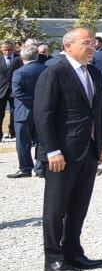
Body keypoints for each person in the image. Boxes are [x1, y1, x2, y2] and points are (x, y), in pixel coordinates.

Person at [34, 28, 102, 271]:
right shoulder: (54, 73)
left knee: (79, 205)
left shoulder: (94, 73)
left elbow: (99, 112)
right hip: (62, 152)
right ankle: (53, 258)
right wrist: (51, 150)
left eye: (93, 42)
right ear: (68, 46)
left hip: (87, 149)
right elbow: (43, 115)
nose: (92, 47)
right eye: (86, 43)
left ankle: (73, 253)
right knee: (56, 208)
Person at [7, 42, 46, 178]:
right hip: (43, 110)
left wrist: (33, 102)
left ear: (22, 57)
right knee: (42, 140)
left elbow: (17, 92)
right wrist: (40, 103)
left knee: (23, 142)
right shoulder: (46, 70)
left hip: (24, 111)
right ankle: (41, 167)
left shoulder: (19, 72)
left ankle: (25, 168)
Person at [0, 39, 19, 139]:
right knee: (0, 113)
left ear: (13, 49)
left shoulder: (19, 58)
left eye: (10, 50)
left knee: (14, 112)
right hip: (1, 90)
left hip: (14, 90)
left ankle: (13, 132)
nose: (7, 52)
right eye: (5, 50)